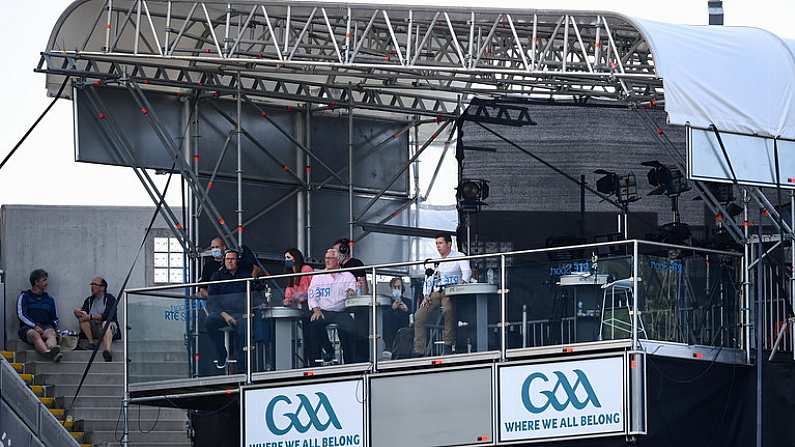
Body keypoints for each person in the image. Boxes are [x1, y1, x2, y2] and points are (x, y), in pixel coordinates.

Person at [413, 233, 472, 356]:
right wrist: (426, 295)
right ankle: (419, 350)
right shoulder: (434, 259)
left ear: (449, 244)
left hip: (450, 292)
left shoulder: (459, 256)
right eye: (436, 243)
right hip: (435, 293)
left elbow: (467, 272)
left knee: (448, 310)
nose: (438, 246)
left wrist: (462, 284)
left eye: (440, 243)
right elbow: (428, 278)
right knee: (419, 316)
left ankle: (448, 345)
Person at [307, 248, 358, 364]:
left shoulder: (347, 275)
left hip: (341, 310)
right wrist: (316, 310)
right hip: (324, 310)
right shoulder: (318, 276)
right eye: (326, 258)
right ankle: (326, 353)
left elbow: (352, 290)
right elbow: (311, 295)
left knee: (349, 327)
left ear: (338, 260)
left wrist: (351, 292)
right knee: (314, 323)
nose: (327, 261)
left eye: (330, 258)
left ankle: (350, 362)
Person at [205, 249, 251, 369]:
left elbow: (253, 295)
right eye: (227, 259)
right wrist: (225, 315)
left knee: (243, 328)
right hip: (222, 313)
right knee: (209, 322)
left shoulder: (245, 276)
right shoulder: (217, 276)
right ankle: (221, 352)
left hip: (241, 313)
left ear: (237, 261)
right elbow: (212, 300)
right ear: (224, 260)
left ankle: (242, 366)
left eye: (233, 259)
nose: (230, 261)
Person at [17, 269, 62, 362]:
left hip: (45, 326)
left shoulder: (49, 299)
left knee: (51, 333)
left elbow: (54, 318)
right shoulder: (24, 296)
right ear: (36, 282)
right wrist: (34, 326)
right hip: (28, 328)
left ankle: (53, 349)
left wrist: (55, 328)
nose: (47, 283)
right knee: (34, 335)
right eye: (44, 280)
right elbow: (21, 315)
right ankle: (47, 353)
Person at [73, 277, 119, 361]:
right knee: (82, 320)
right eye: (91, 284)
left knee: (106, 323)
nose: (92, 287)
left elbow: (108, 315)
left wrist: (91, 317)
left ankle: (107, 351)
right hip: (94, 329)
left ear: (102, 287)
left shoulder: (110, 298)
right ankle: (91, 343)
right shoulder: (89, 300)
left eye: (94, 284)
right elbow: (84, 313)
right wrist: (78, 313)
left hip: (108, 329)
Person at [383, 277, 411, 350]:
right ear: (391, 288)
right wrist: (392, 308)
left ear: (402, 288)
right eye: (395, 287)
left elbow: (413, 317)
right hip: (390, 338)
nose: (397, 289)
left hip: (405, 337)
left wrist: (407, 310)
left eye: (399, 287)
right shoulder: (386, 302)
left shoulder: (408, 302)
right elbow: (383, 318)